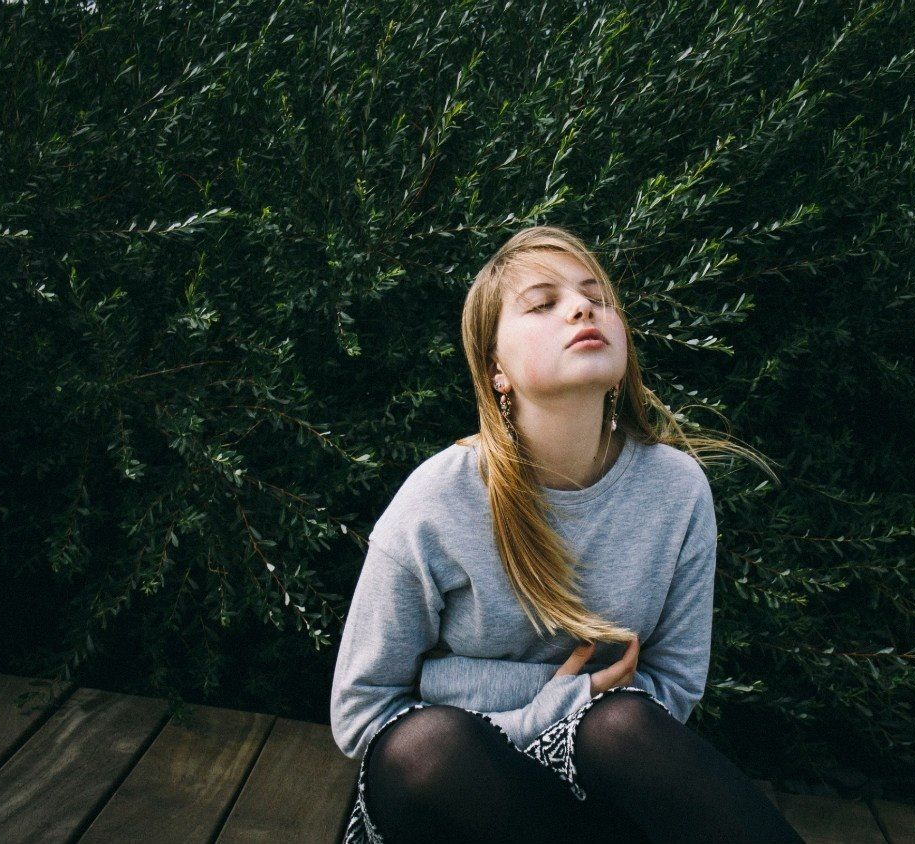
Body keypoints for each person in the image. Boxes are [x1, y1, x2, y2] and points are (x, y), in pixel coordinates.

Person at [330, 225, 805, 843]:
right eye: (543, 302)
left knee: (624, 725)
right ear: (496, 368)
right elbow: (362, 712)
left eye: (596, 295)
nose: (583, 307)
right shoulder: (438, 501)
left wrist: (454, 681)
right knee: (428, 745)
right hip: (454, 804)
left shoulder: (675, 490)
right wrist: (559, 699)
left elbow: (673, 686)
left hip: (590, 791)